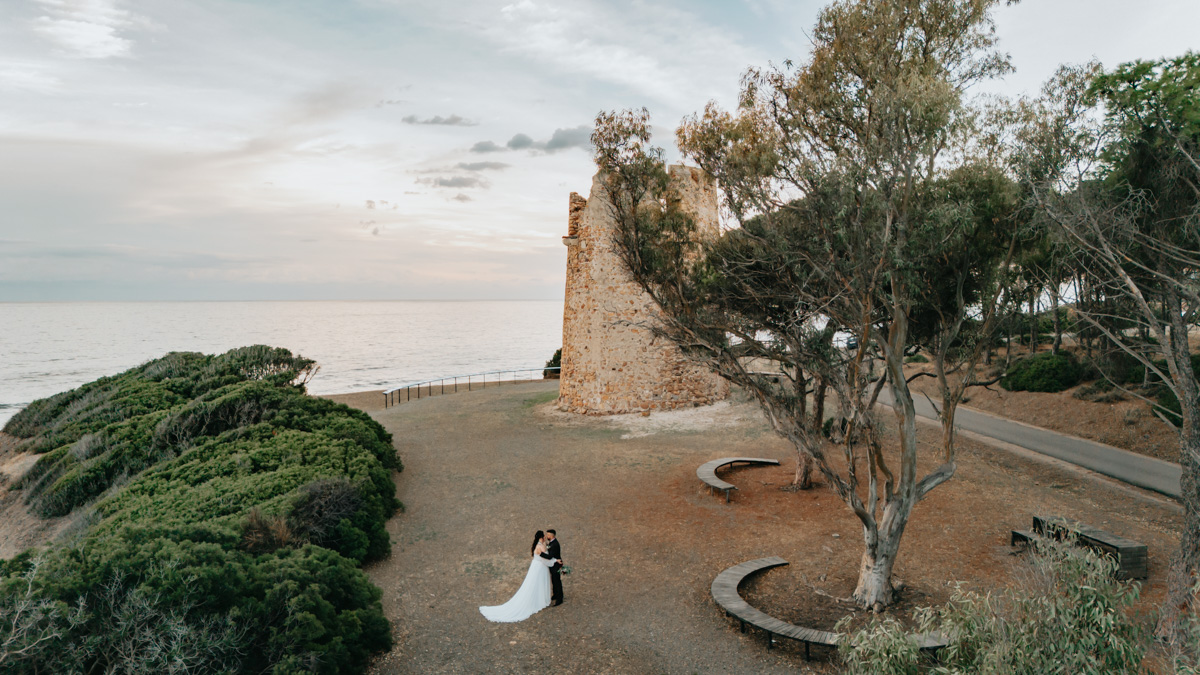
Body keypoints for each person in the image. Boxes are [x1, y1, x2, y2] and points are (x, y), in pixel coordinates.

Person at [479, 530, 559, 623]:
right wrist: (554, 561)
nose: (546, 537)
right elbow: (544, 559)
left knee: (540, 583)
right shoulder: (538, 547)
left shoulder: (542, 544)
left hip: (541, 567)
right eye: (544, 536)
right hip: (539, 568)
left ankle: (541, 599)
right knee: (536, 584)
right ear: (542, 537)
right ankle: (537, 600)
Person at [539, 529, 564, 606]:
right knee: (554, 580)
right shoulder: (552, 542)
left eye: (548, 535)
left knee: (557, 581)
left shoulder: (555, 544)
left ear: (552, 535)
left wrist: (541, 554)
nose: (547, 536)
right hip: (553, 565)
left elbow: (550, 556)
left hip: (555, 565)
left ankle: (560, 598)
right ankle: (555, 594)